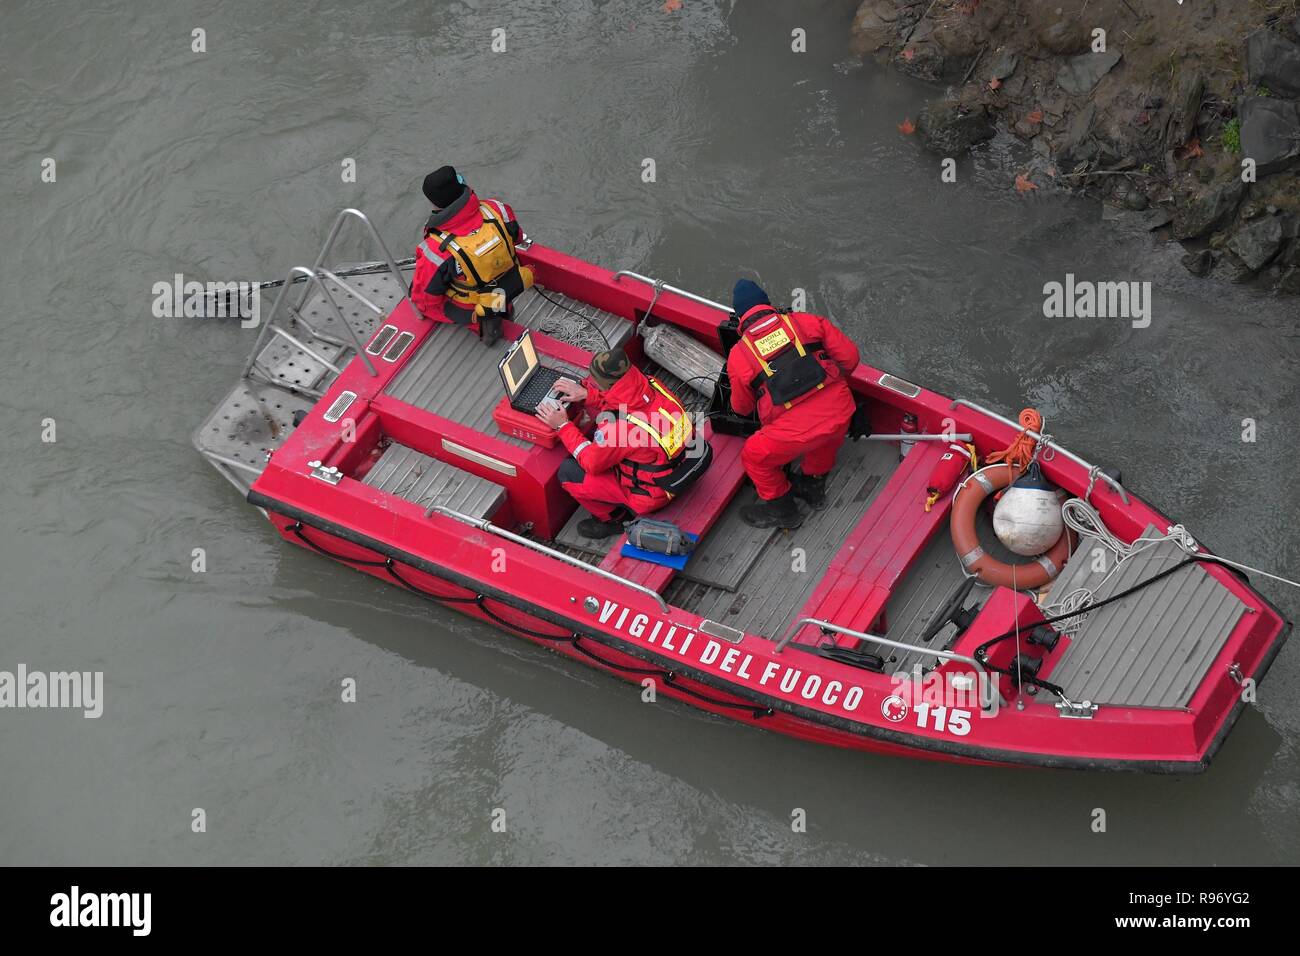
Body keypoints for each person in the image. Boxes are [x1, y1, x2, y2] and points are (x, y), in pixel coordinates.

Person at [726, 279, 860, 529]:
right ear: (768, 305)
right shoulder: (806, 321)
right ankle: (812, 485)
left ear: (740, 318)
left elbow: (742, 408)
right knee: (826, 439)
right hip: (842, 411)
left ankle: (783, 510)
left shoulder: (739, 355)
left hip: (796, 431)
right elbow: (851, 358)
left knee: (754, 455)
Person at [537, 349, 698, 538]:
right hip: (681, 467)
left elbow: (591, 463)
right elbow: (626, 403)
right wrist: (589, 396)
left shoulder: (619, 429)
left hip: (651, 495)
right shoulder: (652, 385)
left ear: (603, 384)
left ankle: (615, 520)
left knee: (568, 471)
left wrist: (562, 426)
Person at [412, 166, 532, 345]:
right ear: (461, 184)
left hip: (475, 305)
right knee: (492, 286)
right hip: (510, 282)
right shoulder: (496, 209)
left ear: (435, 204)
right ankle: (503, 309)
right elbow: (518, 237)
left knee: (421, 298)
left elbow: (425, 298)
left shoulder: (436, 248)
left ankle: (485, 327)